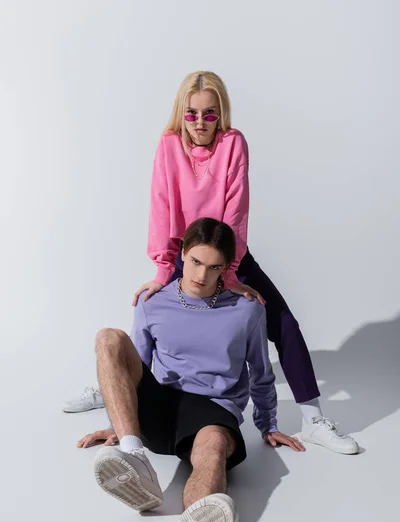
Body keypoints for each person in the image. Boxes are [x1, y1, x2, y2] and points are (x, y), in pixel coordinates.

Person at [66, 71, 358, 455]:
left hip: (229, 254)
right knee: (148, 317)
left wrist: (232, 273)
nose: (200, 123)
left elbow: (236, 210)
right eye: (191, 114)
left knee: (282, 322)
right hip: (184, 255)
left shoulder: (233, 143)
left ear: (221, 115)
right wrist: (161, 269)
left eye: (209, 114)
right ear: (180, 113)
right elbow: (161, 207)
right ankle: (113, 394)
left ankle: (312, 417)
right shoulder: (168, 146)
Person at [77, 219, 305, 522]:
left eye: (214, 267)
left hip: (212, 410)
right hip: (161, 404)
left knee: (212, 449)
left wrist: (267, 424)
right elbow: (135, 367)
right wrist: (119, 424)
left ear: (227, 268)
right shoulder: (152, 302)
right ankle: (135, 457)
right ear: (182, 254)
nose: (202, 274)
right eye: (196, 261)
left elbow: (261, 372)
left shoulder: (246, 310)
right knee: (108, 338)